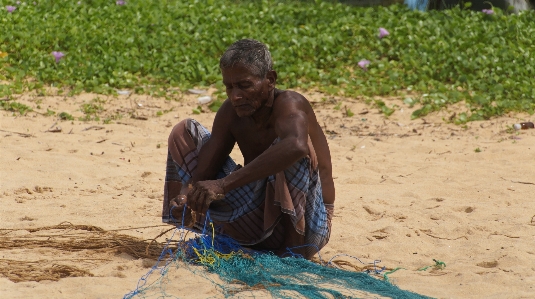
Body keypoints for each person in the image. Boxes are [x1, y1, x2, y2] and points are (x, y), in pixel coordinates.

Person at [162, 39, 335, 259]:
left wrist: (223, 184)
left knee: (292, 147)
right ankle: (225, 233)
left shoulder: (290, 104)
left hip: (310, 226)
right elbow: (204, 172)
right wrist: (187, 196)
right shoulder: (230, 112)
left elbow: (297, 146)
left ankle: (293, 254)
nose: (235, 96)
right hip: (255, 220)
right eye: (229, 87)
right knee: (184, 132)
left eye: (244, 85)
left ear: (270, 80)